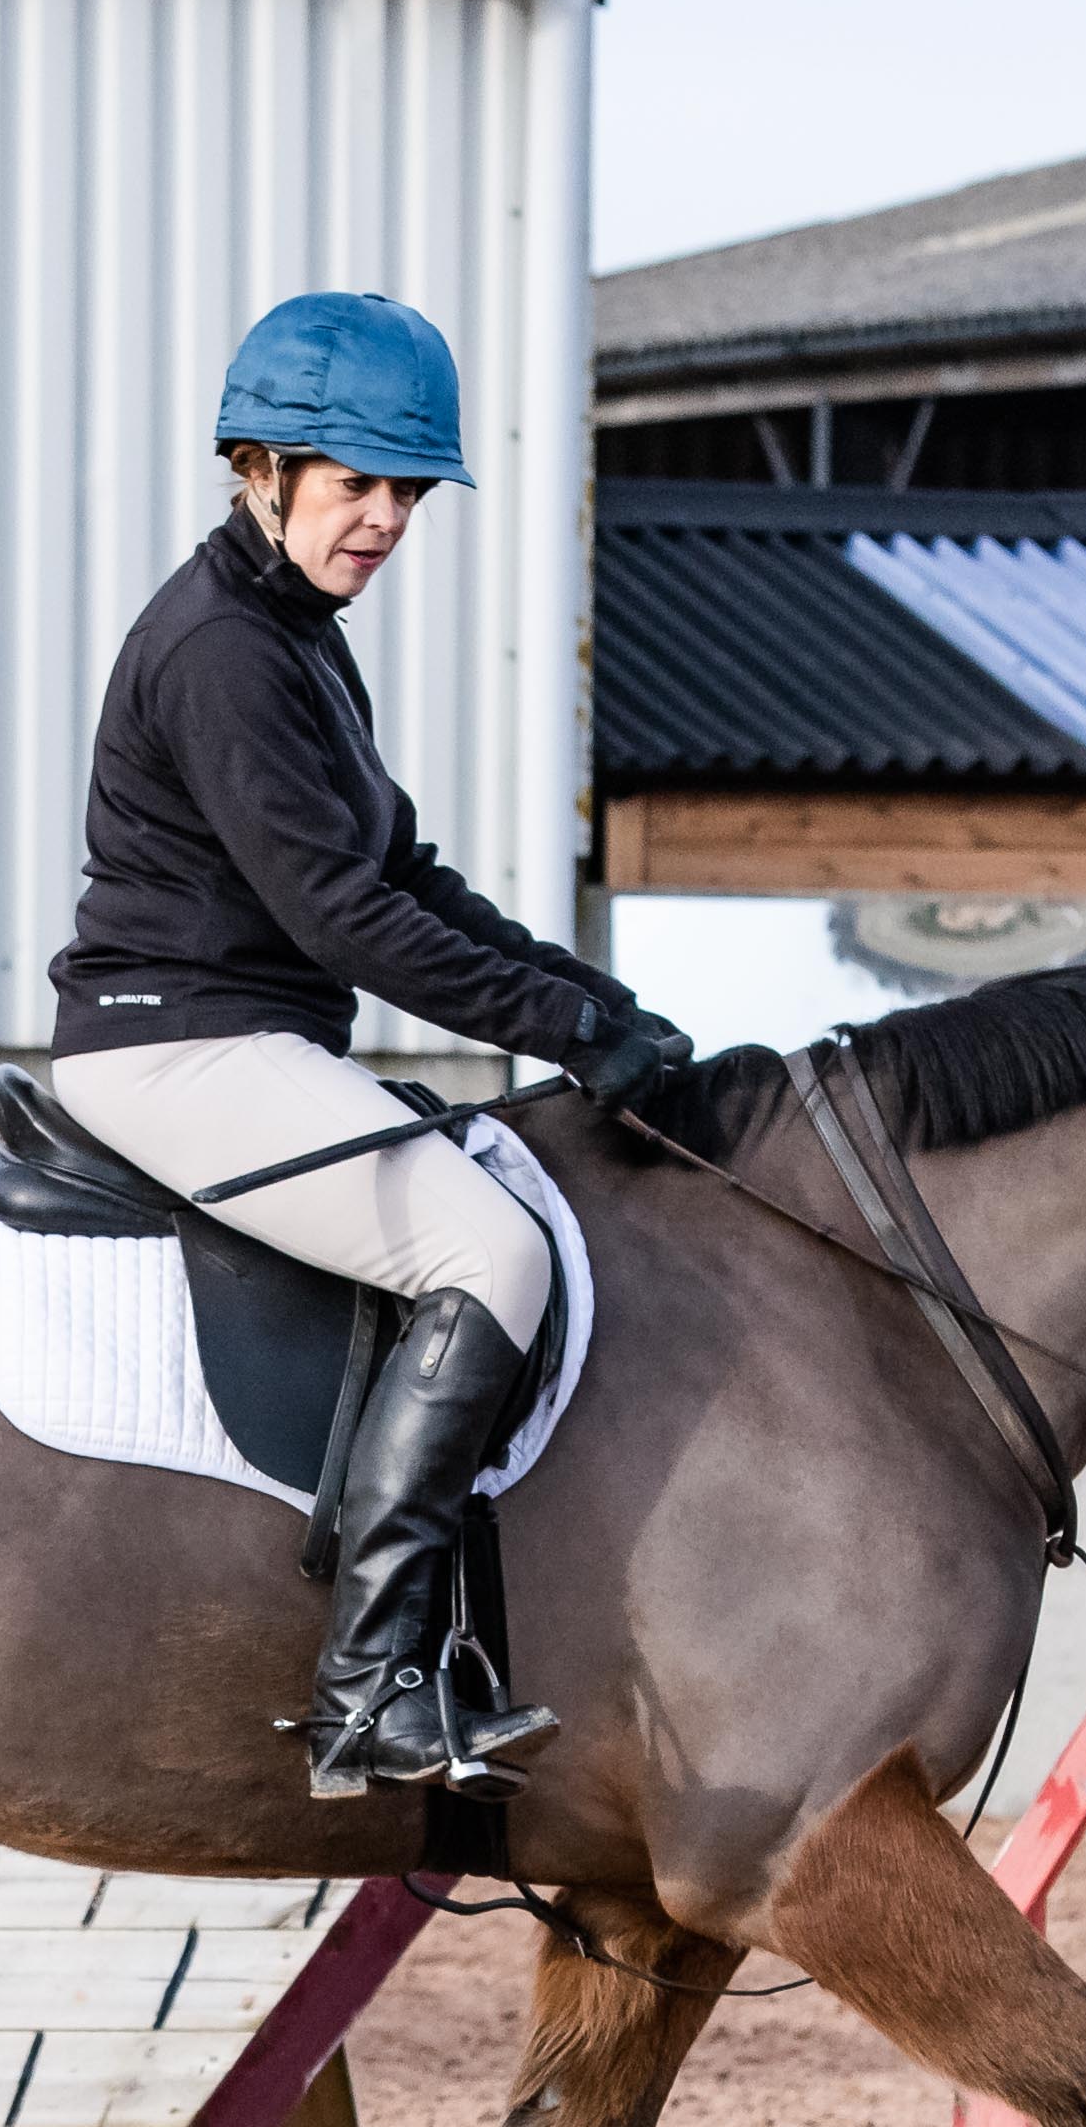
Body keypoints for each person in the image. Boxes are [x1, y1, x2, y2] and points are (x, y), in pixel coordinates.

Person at [45, 289, 703, 1798]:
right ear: (261, 469)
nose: (387, 520)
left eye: (408, 491)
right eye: (357, 485)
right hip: (178, 1045)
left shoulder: (297, 638)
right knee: (492, 1254)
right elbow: (344, 920)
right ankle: (371, 1688)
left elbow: (404, 874)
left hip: (242, 1035)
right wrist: (561, 1029)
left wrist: (594, 1003)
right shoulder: (221, 648)